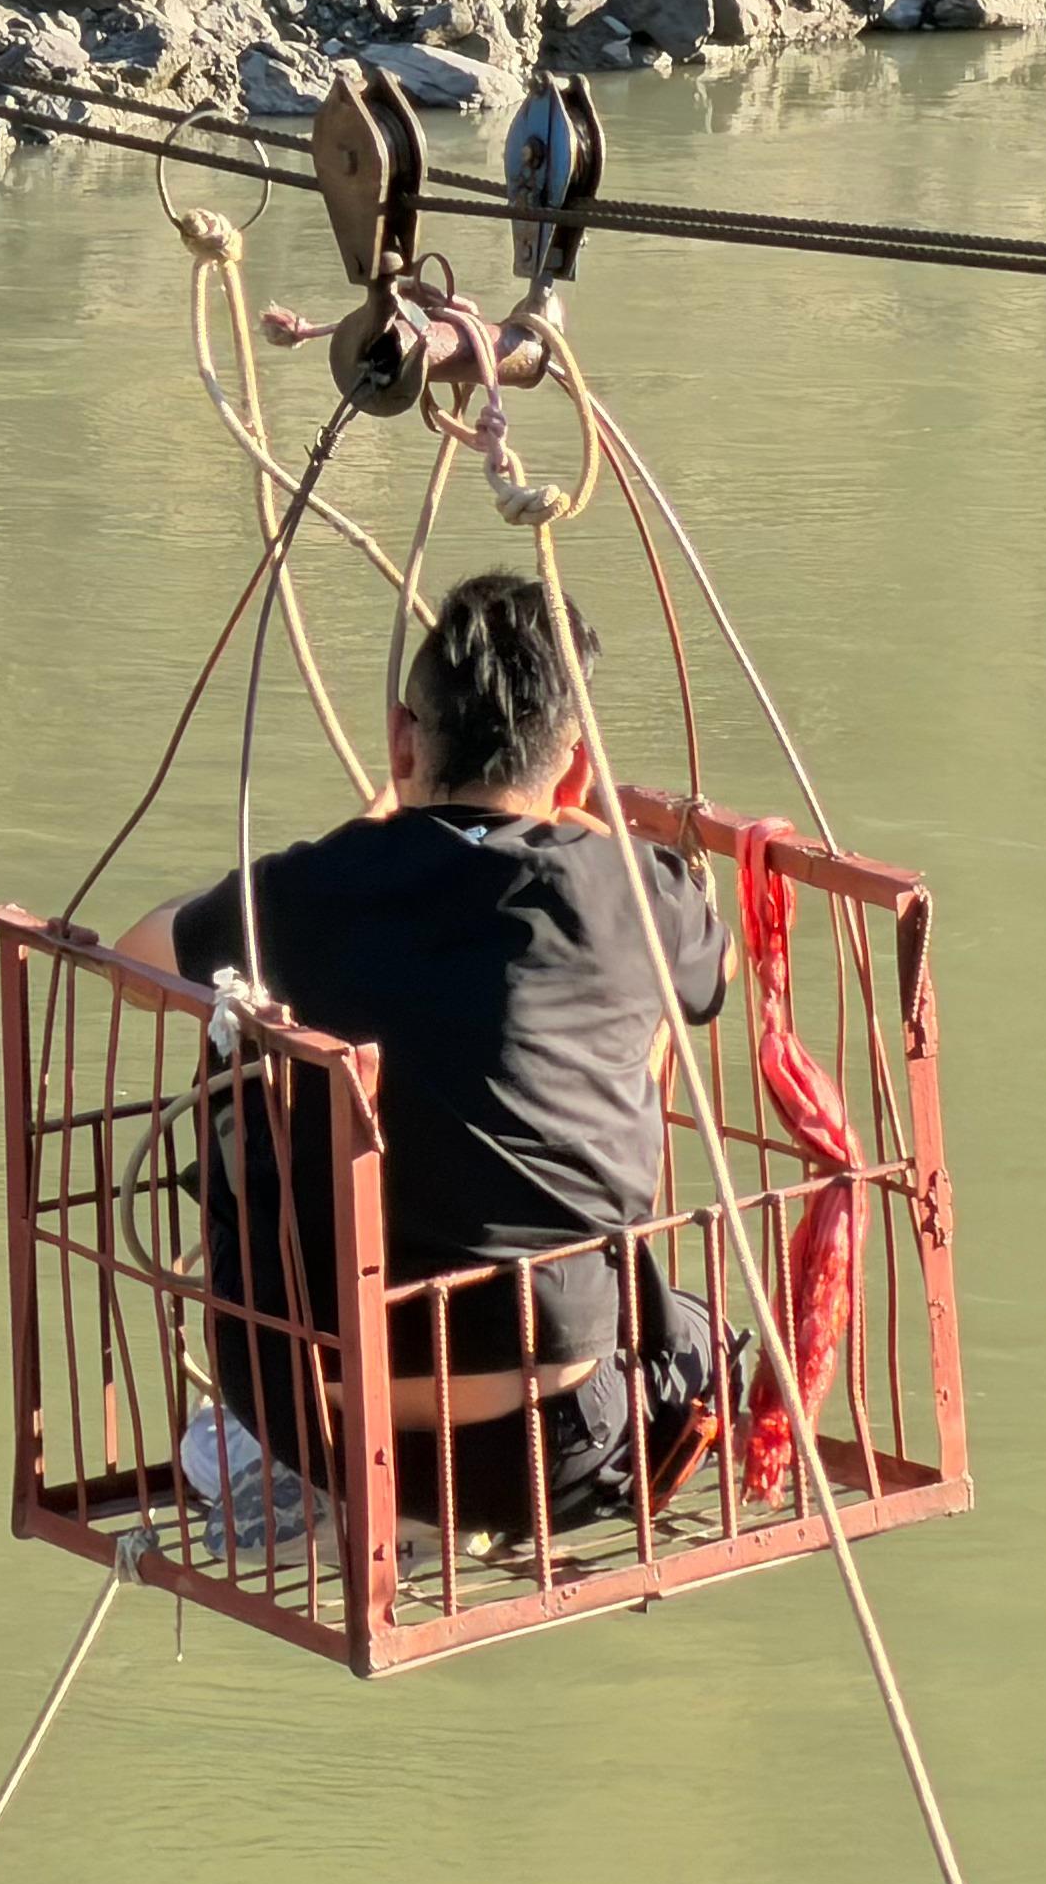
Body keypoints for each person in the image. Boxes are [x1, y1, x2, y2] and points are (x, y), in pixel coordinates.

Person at [118, 571, 736, 1542]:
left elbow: (136, 962)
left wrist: (361, 844)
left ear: (403, 739)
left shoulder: (307, 892)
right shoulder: (635, 893)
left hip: (314, 1423)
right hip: (560, 1451)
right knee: (709, 1343)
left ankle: (310, 1482)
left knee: (240, 1044)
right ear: (575, 776)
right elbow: (711, 978)